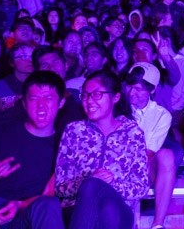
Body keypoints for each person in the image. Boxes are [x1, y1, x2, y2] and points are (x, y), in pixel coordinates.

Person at [55, 70, 149, 229]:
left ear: (116, 97)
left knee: (108, 205)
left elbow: (141, 187)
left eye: (97, 94)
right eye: (84, 95)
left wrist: (111, 183)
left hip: (121, 210)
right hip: (76, 209)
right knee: (101, 200)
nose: (89, 101)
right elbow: (60, 187)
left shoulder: (133, 133)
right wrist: (87, 181)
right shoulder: (74, 131)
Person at [0, 71, 66, 228]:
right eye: (33, 99)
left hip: (31, 209)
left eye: (48, 99)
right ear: (24, 103)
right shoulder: (2, 134)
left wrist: (19, 205)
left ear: (61, 102)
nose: (41, 106)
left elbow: (54, 196)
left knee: (49, 204)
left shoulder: (65, 144)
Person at [126, 62, 175, 229]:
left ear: (152, 90)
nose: (132, 93)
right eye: (130, 87)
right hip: (115, 166)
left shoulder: (162, 115)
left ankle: (158, 224)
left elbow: (149, 153)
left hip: (142, 168)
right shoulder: (117, 107)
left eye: (138, 89)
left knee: (166, 155)